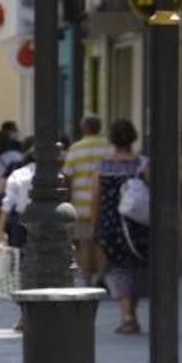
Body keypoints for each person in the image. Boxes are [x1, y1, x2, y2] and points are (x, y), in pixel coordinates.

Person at [92, 119, 149, 335]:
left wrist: (95, 225)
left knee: (118, 268)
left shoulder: (102, 167)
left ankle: (127, 316)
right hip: (138, 225)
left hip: (111, 224)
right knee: (137, 266)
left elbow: (95, 198)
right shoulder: (142, 164)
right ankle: (131, 314)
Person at [63, 114, 114, 286]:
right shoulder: (108, 147)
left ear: (84, 128)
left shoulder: (76, 148)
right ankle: (101, 275)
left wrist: (67, 198)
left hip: (81, 203)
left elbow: (67, 176)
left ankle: (86, 280)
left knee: (84, 243)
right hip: (104, 202)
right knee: (102, 244)